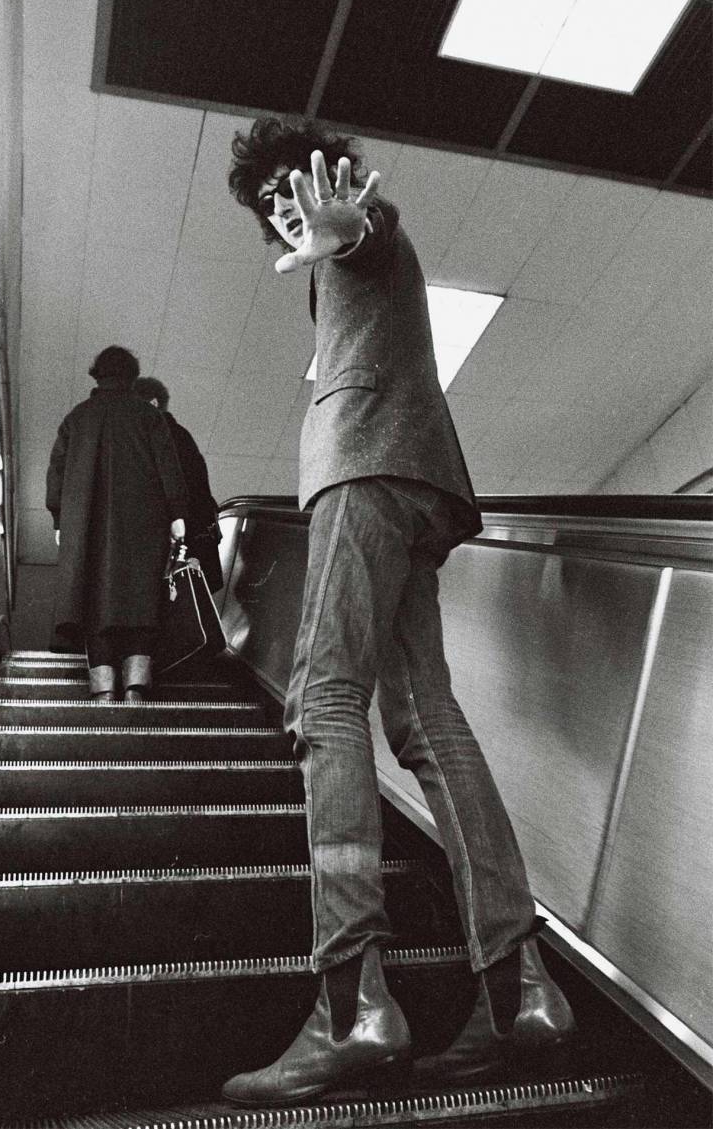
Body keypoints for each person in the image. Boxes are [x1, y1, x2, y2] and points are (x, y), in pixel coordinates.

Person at [221, 118, 575, 1106]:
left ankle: (350, 1000)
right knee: (423, 721)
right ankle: (515, 992)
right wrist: (324, 235)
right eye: (271, 210)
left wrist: (339, 221)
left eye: (288, 192)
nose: (284, 214)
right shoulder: (339, 262)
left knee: (320, 697)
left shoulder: (361, 231)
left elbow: (358, 229)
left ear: (324, 179)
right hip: (420, 482)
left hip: (367, 470)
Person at [46, 346, 187, 702]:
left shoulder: (77, 418)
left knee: (95, 602)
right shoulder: (149, 417)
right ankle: (137, 686)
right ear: (132, 376)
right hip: (144, 527)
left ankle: (104, 689)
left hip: (88, 528)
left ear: (97, 374)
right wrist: (177, 513)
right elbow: (169, 467)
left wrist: (59, 519)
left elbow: (57, 475)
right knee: (141, 600)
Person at [133, 376, 223, 593]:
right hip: (195, 537)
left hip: (182, 537)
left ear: (153, 404)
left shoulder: (164, 436)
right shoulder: (179, 435)